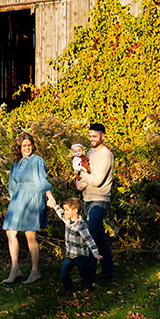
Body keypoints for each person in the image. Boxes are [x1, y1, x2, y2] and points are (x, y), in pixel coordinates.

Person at [2, 132, 54, 284]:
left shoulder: (37, 161)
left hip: (32, 198)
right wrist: (14, 198)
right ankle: (15, 269)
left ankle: (35, 271)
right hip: (17, 199)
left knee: (30, 235)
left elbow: (41, 181)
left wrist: (50, 196)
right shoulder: (16, 163)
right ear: (19, 147)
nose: (27, 148)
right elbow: (12, 183)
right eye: (24, 146)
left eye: (29, 145)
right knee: (10, 232)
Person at [76, 122, 116, 281]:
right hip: (87, 199)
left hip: (99, 201)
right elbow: (82, 173)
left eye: (94, 136)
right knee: (99, 239)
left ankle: (87, 278)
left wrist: (83, 176)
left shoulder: (106, 155)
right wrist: (78, 183)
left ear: (102, 136)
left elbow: (98, 180)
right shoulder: (89, 153)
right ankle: (109, 273)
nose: (91, 139)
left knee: (88, 239)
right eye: (89, 136)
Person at [47, 195, 102, 295]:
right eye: (65, 209)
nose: (65, 212)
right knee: (64, 273)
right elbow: (60, 213)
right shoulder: (67, 219)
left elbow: (89, 239)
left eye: (67, 210)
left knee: (83, 273)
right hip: (70, 254)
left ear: (75, 211)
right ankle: (69, 289)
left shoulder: (81, 226)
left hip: (80, 255)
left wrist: (95, 252)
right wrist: (54, 206)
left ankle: (88, 286)